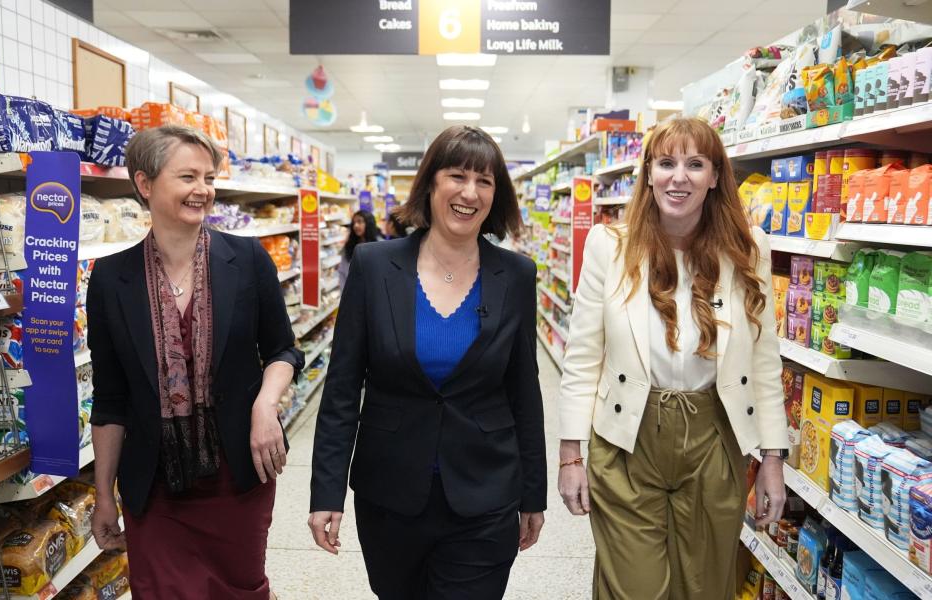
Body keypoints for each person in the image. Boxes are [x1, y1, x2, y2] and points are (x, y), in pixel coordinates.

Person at [309, 125, 547, 600]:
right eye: (457, 176)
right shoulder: (375, 267)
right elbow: (341, 388)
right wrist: (325, 493)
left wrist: (532, 493)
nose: (469, 192)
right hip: (390, 493)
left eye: (485, 181)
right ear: (431, 184)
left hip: (486, 491)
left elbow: (525, 389)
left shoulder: (515, 275)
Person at [557, 117, 788, 599]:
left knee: (704, 586)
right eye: (666, 163)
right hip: (626, 436)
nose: (678, 177)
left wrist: (772, 459)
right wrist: (570, 454)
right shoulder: (609, 246)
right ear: (647, 173)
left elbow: (764, 359)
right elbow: (582, 357)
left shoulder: (749, 248)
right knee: (634, 588)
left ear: (715, 177)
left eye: (694, 164)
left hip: (715, 437)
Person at [88, 125, 304, 599]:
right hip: (156, 482)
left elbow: (284, 350)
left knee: (238, 589)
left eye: (208, 177)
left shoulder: (247, 260)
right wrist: (104, 495)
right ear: (145, 184)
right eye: (187, 176)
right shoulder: (110, 279)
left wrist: (265, 405)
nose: (203, 190)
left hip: (236, 475)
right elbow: (110, 399)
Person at [337, 209, 381, 289]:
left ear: (368, 223)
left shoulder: (380, 245)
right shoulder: (349, 246)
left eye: (360, 221)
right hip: (352, 293)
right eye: (354, 223)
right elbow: (342, 272)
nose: (355, 225)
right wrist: (344, 296)